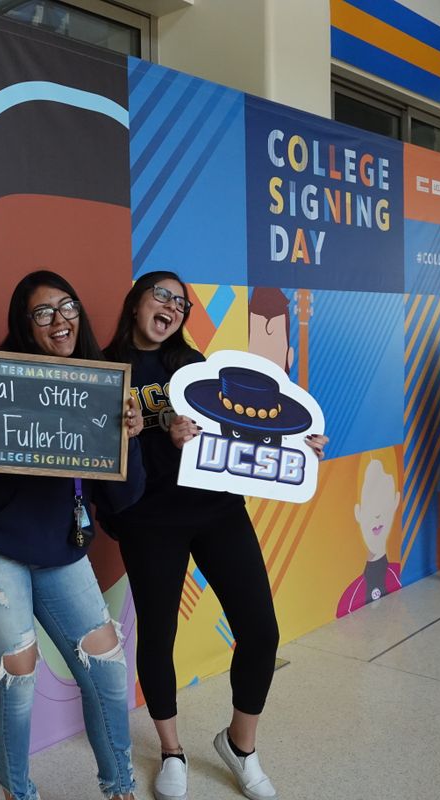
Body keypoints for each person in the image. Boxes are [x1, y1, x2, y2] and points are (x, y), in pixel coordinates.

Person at [101, 271, 327, 800]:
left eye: (181, 302)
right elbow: (96, 455)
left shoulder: (196, 366)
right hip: (148, 518)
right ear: (135, 301)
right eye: (162, 295)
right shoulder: (104, 367)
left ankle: (240, 746)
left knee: (261, 629)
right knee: (158, 637)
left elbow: (243, 431)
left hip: (216, 510)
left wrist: (296, 446)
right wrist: (152, 432)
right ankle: (172, 751)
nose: (172, 307)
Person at [0, 270, 144, 800]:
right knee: (18, 673)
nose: (59, 320)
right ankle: (18, 793)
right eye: (42, 312)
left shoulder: (99, 390)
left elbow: (124, 498)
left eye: (67, 307)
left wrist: (129, 441)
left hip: (57, 547)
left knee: (110, 669)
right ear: (25, 327)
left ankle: (120, 788)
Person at [336, 450, 404, 617]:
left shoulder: (398, 575)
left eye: (383, 498)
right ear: (358, 511)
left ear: (395, 501)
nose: (377, 514)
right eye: (370, 501)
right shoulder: (349, 599)